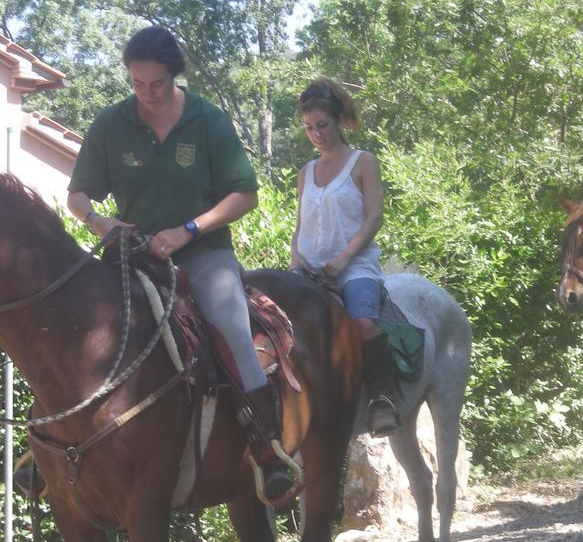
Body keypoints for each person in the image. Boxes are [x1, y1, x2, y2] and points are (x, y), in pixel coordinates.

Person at [66, 26, 293, 501]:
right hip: (129, 255)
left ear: (175, 76)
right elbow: (78, 195)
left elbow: (244, 195)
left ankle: (268, 448)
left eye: (157, 84)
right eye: (137, 83)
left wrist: (188, 230)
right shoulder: (112, 123)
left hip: (203, 253)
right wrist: (97, 220)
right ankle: (48, 446)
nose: (147, 94)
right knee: (72, 327)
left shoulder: (208, 121)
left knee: (231, 324)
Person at [290, 78, 401, 437]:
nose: (316, 134)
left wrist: (343, 258)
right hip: (307, 270)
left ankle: (383, 399)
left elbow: (374, 217)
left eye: (322, 125)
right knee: (270, 324)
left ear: (338, 121)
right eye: (309, 128)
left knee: (363, 323)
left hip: (354, 267)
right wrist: (295, 260)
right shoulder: (305, 173)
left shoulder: (363, 162)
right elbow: (299, 226)